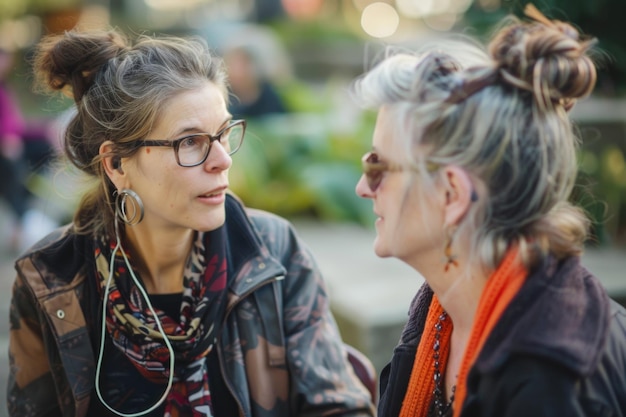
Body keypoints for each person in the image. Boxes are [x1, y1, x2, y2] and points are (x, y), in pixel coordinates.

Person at [7, 29, 375, 417]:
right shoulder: (50, 278)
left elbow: (339, 406)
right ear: (116, 164)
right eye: (190, 142)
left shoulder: (272, 251)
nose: (223, 160)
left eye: (222, 133)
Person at [352, 4, 626, 417]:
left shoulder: (552, 380)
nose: (361, 188)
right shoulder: (442, 309)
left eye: (377, 167)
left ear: (451, 195)